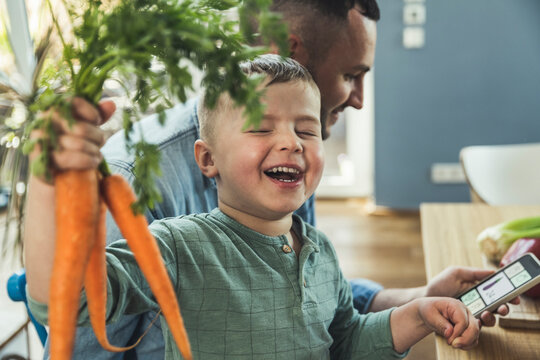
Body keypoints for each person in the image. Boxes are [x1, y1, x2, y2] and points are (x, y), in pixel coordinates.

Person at [38, 0, 516, 358]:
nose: (292, 142)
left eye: (305, 130)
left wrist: (415, 306)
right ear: (209, 161)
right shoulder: (174, 241)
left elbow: (336, 327)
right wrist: (47, 178)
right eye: (352, 74)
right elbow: (72, 302)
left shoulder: (305, 235)